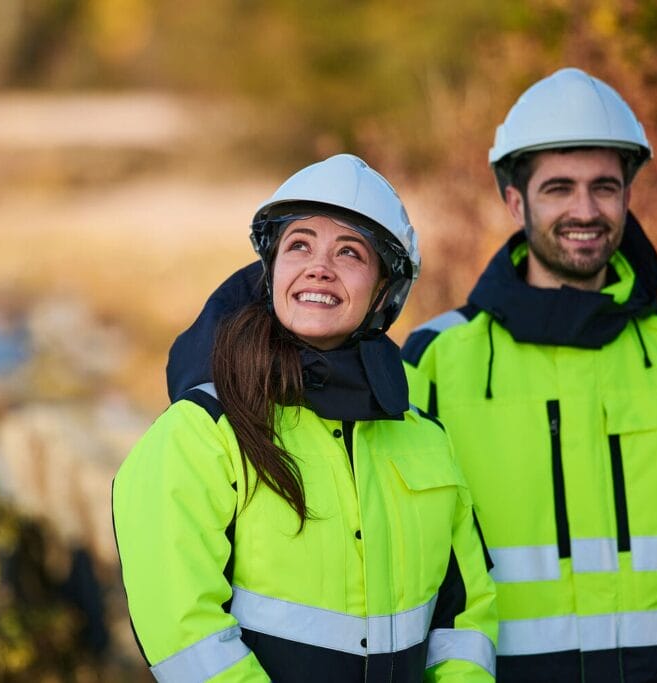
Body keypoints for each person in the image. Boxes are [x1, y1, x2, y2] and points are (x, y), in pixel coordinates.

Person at [401, 67, 657, 683]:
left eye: (604, 187)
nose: (585, 210)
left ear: (627, 196)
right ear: (515, 201)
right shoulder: (435, 363)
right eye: (559, 188)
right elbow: (403, 568)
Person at [114, 153, 497, 682]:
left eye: (350, 252)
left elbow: (465, 616)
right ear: (271, 272)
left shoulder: (425, 439)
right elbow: (184, 635)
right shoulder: (199, 432)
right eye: (299, 245)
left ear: (384, 290)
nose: (320, 266)